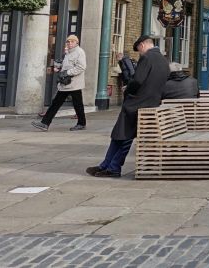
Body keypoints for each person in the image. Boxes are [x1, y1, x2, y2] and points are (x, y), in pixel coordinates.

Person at [86, 34, 169, 178]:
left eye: (139, 49)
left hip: (137, 103)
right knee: (118, 135)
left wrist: (127, 88)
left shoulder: (147, 57)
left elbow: (137, 80)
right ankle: (105, 165)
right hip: (151, 103)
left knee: (124, 136)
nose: (140, 53)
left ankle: (113, 168)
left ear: (142, 45)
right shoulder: (163, 60)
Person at [31, 34, 86, 131]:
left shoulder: (79, 52)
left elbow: (81, 67)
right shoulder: (68, 53)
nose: (69, 43)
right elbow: (67, 65)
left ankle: (81, 123)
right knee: (57, 103)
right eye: (68, 41)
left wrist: (67, 73)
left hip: (74, 84)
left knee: (76, 104)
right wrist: (60, 68)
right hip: (65, 84)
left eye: (72, 41)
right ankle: (45, 123)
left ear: (76, 42)